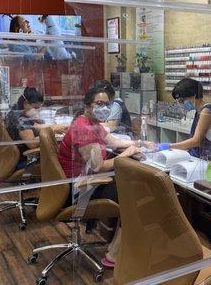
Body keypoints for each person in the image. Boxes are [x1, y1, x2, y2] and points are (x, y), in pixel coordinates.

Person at [58, 86, 152, 267]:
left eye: (107, 104)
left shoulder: (91, 124)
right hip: (78, 190)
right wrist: (128, 154)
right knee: (137, 192)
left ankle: (118, 244)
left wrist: (140, 143)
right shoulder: (84, 129)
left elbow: (114, 142)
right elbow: (99, 166)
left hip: (83, 182)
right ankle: (117, 251)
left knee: (131, 185)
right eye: (99, 103)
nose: (104, 108)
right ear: (87, 105)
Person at [157, 78, 211, 168]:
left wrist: (169, 146)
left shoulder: (206, 112)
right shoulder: (198, 111)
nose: (181, 104)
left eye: (182, 101)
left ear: (193, 96)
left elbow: (196, 141)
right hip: (201, 159)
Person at [5, 87, 66, 167]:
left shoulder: (15, 113)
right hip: (21, 161)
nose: (38, 111)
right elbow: (32, 144)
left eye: (39, 108)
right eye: (36, 108)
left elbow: (34, 127)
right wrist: (52, 130)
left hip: (13, 157)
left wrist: (50, 127)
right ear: (26, 104)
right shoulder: (19, 118)